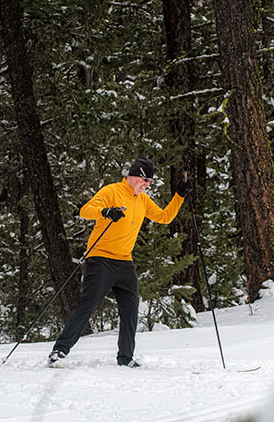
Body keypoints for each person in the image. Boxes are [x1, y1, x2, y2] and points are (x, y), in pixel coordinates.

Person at [48, 157, 189, 368]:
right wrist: (105, 212)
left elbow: (164, 217)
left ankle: (126, 358)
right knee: (88, 305)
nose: (148, 185)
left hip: (124, 262)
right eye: (147, 180)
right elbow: (85, 210)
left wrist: (180, 195)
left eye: (150, 182)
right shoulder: (111, 191)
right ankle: (59, 351)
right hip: (101, 258)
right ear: (136, 175)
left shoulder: (142, 200)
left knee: (131, 310)